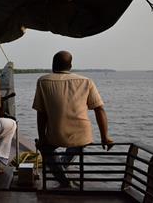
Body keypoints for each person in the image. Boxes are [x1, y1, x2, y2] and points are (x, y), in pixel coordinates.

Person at [32, 50, 114, 188]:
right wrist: (105, 137)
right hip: (82, 137)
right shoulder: (86, 81)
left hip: (55, 135)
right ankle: (63, 166)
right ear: (70, 66)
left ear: (53, 65)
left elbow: (41, 113)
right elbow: (99, 109)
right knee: (80, 142)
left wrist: (42, 138)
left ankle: (64, 181)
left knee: (45, 149)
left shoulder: (43, 81)